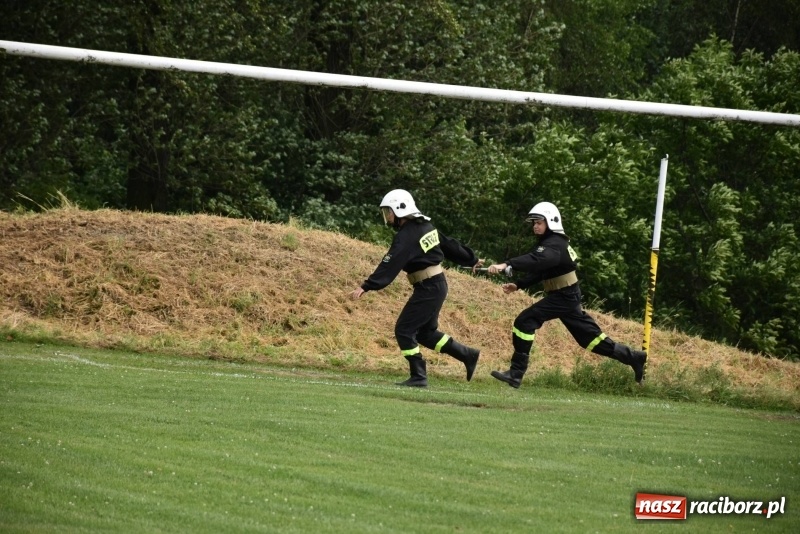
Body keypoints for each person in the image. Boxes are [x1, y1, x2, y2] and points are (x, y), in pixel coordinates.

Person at [486, 201, 647, 388]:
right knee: (589, 339)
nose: (535, 226)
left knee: (525, 321)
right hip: (566, 295)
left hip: (564, 296)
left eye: (539, 222)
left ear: (551, 221)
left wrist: (506, 264)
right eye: (534, 223)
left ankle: (516, 373)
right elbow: (542, 269)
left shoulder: (554, 244)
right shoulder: (551, 243)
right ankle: (634, 357)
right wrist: (519, 284)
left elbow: (540, 259)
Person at [350, 189, 483, 387]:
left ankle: (419, 376)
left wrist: (367, 286)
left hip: (429, 287)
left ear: (399, 209)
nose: (387, 216)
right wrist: (470, 257)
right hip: (434, 285)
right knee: (424, 333)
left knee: (404, 329)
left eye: (389, 211)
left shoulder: (407, 236)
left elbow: (390, 262)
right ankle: (467, 355)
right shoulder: (425, 226)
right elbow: (449, 244)